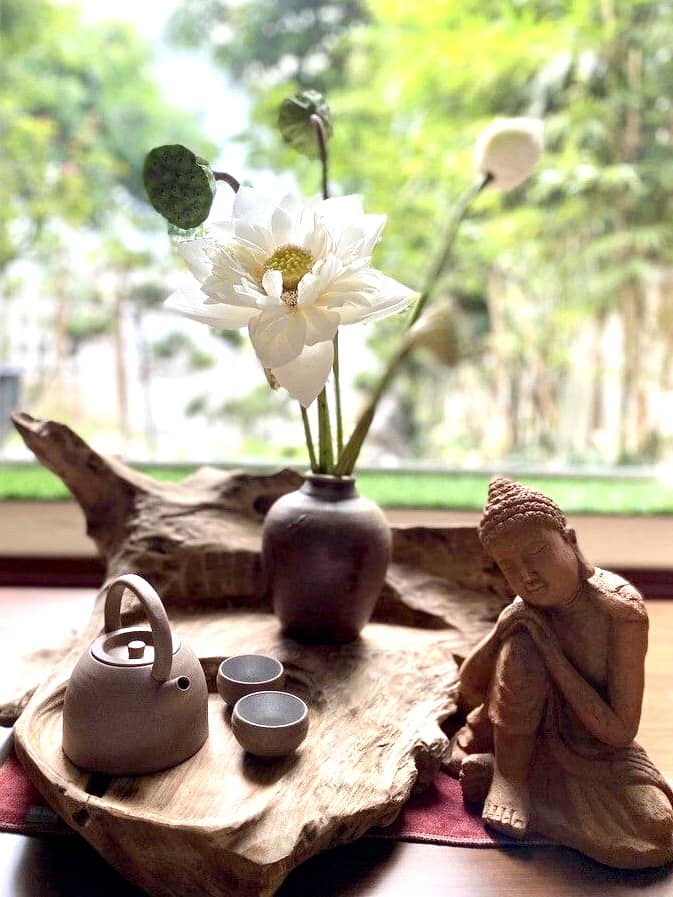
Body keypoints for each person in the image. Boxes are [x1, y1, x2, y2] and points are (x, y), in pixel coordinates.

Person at [449, 477, 673, 869]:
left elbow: (620, 732)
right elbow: (467, 690)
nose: (527, 575)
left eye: (537, 553)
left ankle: (506, 777)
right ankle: (510, 779)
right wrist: (502, 629)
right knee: (521, 647)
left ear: (570, 541)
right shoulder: (525, 611)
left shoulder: (621, 612)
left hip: (600, 750)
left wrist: (552, 651)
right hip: (520, 744)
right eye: (509, 567)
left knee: (657, 826)